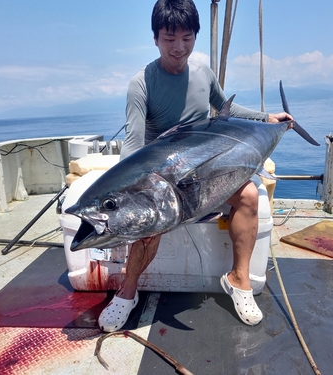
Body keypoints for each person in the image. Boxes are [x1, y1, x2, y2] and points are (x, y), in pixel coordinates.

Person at [98, 0, 293, 332]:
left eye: (187, 38)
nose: (178, 48)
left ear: (195, 37)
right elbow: (133, 143)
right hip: (167, 177)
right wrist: (128, 190)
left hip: (209, 172)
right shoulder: (142, 83)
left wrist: (268, 119)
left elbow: (225, 107)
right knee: (150, 218)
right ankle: (127, 293)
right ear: (156, 38)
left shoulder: (203, 72)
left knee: (249, 196)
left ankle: (239, 280)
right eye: (169, 38)